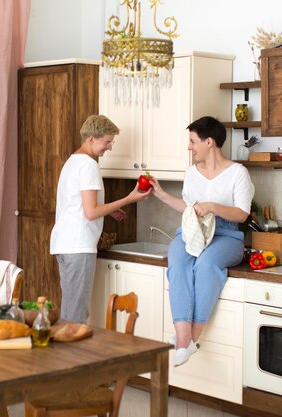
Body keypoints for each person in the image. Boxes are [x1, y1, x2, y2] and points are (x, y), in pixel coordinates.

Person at [149, 116, 254, 367]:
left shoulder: (238, 173)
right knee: (177, 259)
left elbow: (241, 214)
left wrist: (213, 207)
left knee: (205, 264)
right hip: (191, 231)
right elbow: (188, 209)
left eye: (192, 142)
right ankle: (186, 338)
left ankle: (187, 339)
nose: (189, 147)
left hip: (226, 235)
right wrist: (162, 194)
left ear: (209, 142)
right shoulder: (191, 173)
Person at [50, 115, 151, 323]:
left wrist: (109, 210)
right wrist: (129, 198)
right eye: (107, 142)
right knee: (76, 316)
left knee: (70, 311)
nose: (109, 147)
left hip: (65, 244)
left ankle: (68, 355)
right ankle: (75, 356)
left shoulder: (72, 162)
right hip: (79, 245)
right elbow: (90, 212)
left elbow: (79, 205)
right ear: (91, 139)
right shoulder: (89, 165)